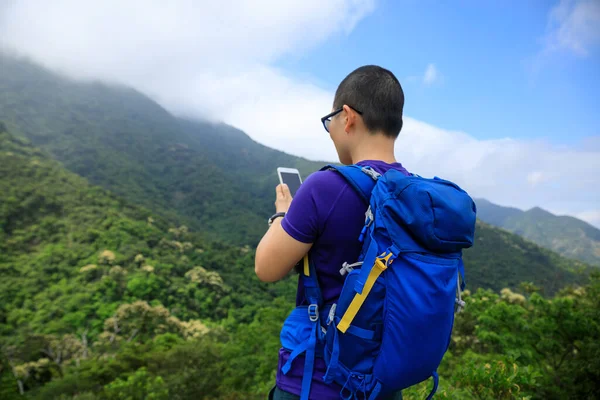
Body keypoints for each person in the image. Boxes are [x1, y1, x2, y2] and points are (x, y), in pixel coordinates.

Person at [255, 65, 407, 400]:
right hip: (384, 385)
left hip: (317, 383)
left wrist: (282, 213)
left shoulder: (325, 187)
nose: (330, 130)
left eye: (330, 121)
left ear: (348, 116)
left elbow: (266, 268)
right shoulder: (414, 196)